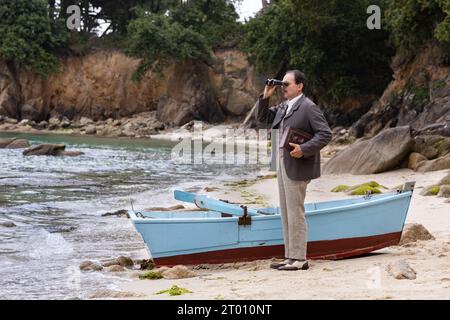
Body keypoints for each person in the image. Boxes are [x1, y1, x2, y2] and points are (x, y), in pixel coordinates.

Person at [255, 70, 332, 271]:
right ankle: (290, 257)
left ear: (300, 86)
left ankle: (300, 259)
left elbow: (325, 134)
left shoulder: (308, 107)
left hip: (298, 164)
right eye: (282, 84)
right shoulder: (284, 106)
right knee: (286, 213)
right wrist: (265, 96)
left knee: (295, 212)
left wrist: (304, 149)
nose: (284, 87)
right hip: (282, 163)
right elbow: (262, 118)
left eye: (287, 84)